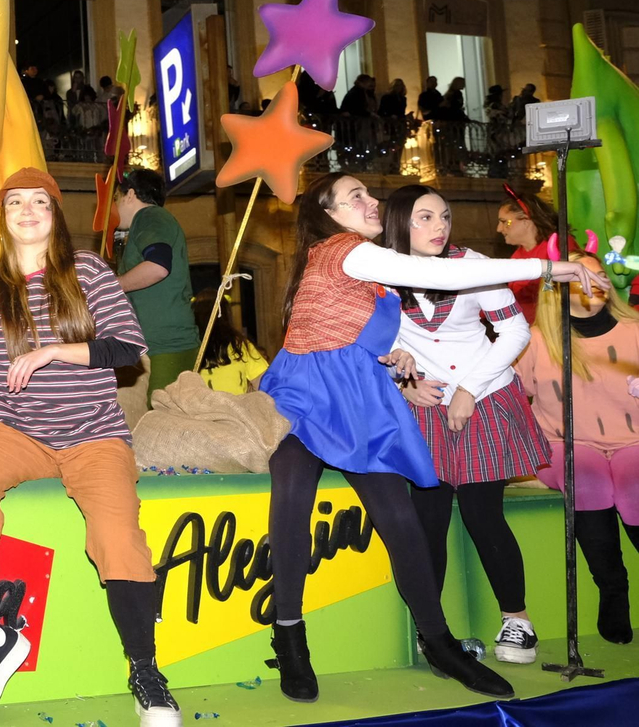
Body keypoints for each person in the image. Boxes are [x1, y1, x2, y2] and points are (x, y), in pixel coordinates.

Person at [258, 171, 605, 704]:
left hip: (360, 401)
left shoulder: (371, 269)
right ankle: (289, 636)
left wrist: (396, 361)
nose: (371, 201)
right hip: (309, 399)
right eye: (355, 197)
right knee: (291, 494)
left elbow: (366, 334)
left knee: (404, 518)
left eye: (369, 194)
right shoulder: (345, 251)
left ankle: (440, 642)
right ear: (329, 214)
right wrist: (550, 266)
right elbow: (431, 273)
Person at [0, 167, 178, 727]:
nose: (28, 211)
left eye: (40, 203)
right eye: (16, 203)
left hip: (94, 434)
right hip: (18, 432)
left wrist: (54, 351)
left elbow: (128, 348)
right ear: (2, 216)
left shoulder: (88, 271)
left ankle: (145, 670)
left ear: (55, 214)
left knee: (117, 538)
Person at [381, 185, 549, 665]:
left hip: (484, 395)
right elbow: (368, 343)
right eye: (425, 217)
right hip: (424, 405)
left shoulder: (471, 265)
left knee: (482, 513)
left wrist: (468, 389)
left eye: (444, 216)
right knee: (427, 521)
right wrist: (403, 383)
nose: (439, 226)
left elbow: (514, 329)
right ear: (399, 222)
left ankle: (518, 622)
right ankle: (433, 633)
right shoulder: (378, 272)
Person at [516, 250, 639, 644]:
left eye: (600, 275)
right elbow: (512, 395)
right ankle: (613, 589)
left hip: (633, 440)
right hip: (564, 441)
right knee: (586, 479)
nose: (595, 284)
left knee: (635, 486)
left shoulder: (635, 330)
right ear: (557, 289)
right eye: (580, 277)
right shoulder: (538, 340)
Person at [114, 169, 198, 395]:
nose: (114, 206)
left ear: (130, 194)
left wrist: (112, 287)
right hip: (157, 344)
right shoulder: (149, 221)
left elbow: (157, 266)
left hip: (165, 345)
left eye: (116, 198)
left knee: (159, 413)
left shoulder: (149, 216)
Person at [497, 186, 558, 324]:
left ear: (526, 220)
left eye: (505, 222)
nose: (499, 229)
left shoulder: (559, 247)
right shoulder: (517, 255)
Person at [191, 291, 268, 394]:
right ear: (226, 315)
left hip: (199, 404)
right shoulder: (240, 345)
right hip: (235, 403)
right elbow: (265, 382)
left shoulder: (189, 348)